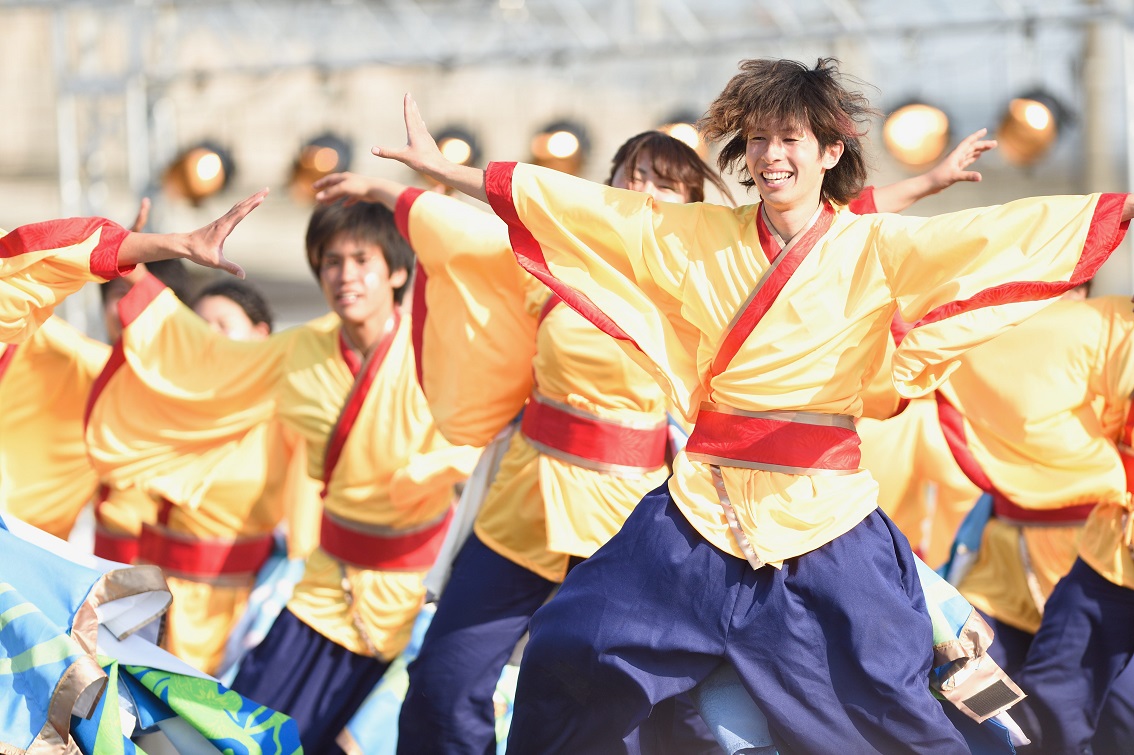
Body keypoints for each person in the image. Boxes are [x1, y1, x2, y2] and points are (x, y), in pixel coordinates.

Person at [371, 57, 1131, 752]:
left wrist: (1117, 211)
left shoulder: (873, 245)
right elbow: (580, 207)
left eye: (791, 137)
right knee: (573, 646)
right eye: (759, 138)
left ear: (829, 151)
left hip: (822, 518)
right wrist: (448, 173)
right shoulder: (698, 235)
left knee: (888, 701)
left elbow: (994, 234)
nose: (772, 154)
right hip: (698, 510)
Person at [84, 197, 480, 752]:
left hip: (421, 598)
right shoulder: (300, 352)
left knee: (429, 729)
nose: (344, 275)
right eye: (331, 261)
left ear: (395, 270)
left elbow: (482, 420)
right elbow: (208, 366)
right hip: (326, 584)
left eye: (361, 260)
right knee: (247, 735)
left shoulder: (435, 344)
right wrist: (139, 280)